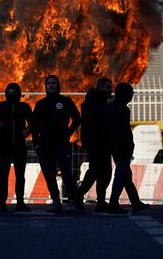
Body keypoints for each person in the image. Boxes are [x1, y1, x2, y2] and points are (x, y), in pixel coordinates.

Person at [32, 74, 81, 213]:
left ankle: (71, 200)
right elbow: (34, 125)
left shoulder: (66, 102)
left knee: (67, 173)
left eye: (54, 83)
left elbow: (77, 119)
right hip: (45, 145)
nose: (51, 85)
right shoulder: (41, 104)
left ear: (58, 85)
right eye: (49, 83)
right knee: (49, 174)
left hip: (62, 144)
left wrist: (68, 133)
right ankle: (55, 201)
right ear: (46, 86)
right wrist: (36, 143)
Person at [106, 82, 149, 215]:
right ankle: (113, 203)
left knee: (126, 175)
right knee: (121, 174)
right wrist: (129, 146)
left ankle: (135, 202)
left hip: (113, 145)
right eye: (130, 93)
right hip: (122, 147)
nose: (131, 96)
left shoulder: (110, 106)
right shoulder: (123, 109)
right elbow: (124, 130)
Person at [0, 82, 33, 212]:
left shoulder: (24, 107)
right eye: (9, 92)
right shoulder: (0, 106)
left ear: (19, 94)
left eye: (14, 92)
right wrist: (0, 131)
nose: (12, 94)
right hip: (4, 146)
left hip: (20, 146)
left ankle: (20, 202)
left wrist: (28, 130)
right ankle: (2, 203)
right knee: (3, 176)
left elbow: (33, 122)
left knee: (20, 175)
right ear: (6, 93)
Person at [76, 77, 113, 212]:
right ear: (100, 87)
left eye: (110, 87)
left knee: (105, 172)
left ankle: (101, 201)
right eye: (107, 87)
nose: (110, 90)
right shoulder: (92, 102)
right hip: (95, 142)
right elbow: (91, 124)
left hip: (103, 142)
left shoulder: (102, 101)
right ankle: (79, 196)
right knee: (96, 171)